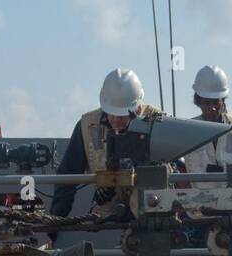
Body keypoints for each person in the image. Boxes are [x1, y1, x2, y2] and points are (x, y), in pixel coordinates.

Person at [50, 69, 164, 221]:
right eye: (112, 114)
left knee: (147, 202)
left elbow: (171, 166)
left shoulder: (156, 121)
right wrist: (56, 219)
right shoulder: (87, 126)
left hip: (149, 202)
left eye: (122, 116)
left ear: (136, 108)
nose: (116, 120)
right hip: (107, 211)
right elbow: (68, 173)